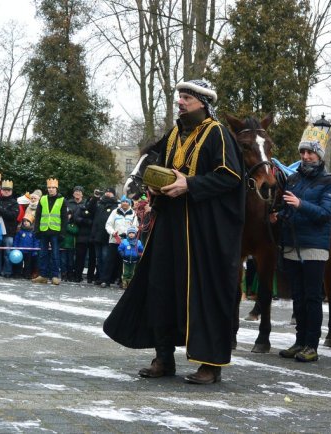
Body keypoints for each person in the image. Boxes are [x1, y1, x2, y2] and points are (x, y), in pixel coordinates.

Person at [104, 79, 244, 385]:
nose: (179, 102)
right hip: (168, 226)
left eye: (186, 97)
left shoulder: (217, 132)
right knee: (160, 288)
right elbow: (160, 169)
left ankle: (210, 364)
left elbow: (230, 177)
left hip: (203, 232)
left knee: (204, 293)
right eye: (179, 96)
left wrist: (189, 184)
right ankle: (163, 358)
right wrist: (154, 187)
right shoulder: (172, 135)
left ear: (202, 102)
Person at [273, 124, 331, 363]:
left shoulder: (330, 181)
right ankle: (299, 341)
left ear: (319, 155)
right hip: (292, 246)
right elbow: (287, 208)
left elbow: (325, 213)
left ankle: (312, 345)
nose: (306, 156)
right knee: (298, 297)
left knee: (312, 297)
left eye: (310, 152)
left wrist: (300, 204)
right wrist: (278, 215)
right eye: (303, 152)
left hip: (314, 248)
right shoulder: (293, 178)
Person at [32, 178, 67, 285]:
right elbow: (37, 216)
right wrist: (36, 229)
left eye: (53, 188)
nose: (51, 189)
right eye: (49, 188)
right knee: (42, 254)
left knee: (55, 254)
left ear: (56, 188)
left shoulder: (62, 200)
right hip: (44, 231)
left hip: (55, 232)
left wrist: (62, 233)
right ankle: (43, 275)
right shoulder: (42, 199)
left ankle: (55, 276)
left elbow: (64, 218)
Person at [103, 195, 137, 288]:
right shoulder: (115, 212)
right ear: (121, 203)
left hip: (126, 242)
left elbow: (135, 227)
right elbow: (108, 225)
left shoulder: (133, 213)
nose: (125, 203)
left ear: (129, 203)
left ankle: (122, 281)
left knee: (123, 261)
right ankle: (106, 280)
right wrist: (113, 232)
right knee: (109, 260)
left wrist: (128, 233)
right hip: (114, 240)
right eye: (123, 201)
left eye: (126, 202)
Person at [89, 187, 118, 285]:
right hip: (97, 235)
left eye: (110, 192)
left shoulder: (116, 206)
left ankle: (107, 279)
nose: (108, 193)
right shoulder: (99, 203)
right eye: (107, 192)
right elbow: (90, 209)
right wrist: (95, 197)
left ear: (114, 194)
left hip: (108, 236)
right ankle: (101, 278)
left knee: (106, 258)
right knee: (99, 258)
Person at [0, 180, 19, 277]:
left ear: (11, 191)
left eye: (8, 190)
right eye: (4, 190)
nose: (6, 192)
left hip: (9, 231)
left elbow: (13, 215)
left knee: (8, 253)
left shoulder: (14, 203)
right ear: (1, 191)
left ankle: (7, 271)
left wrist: (1, 210)